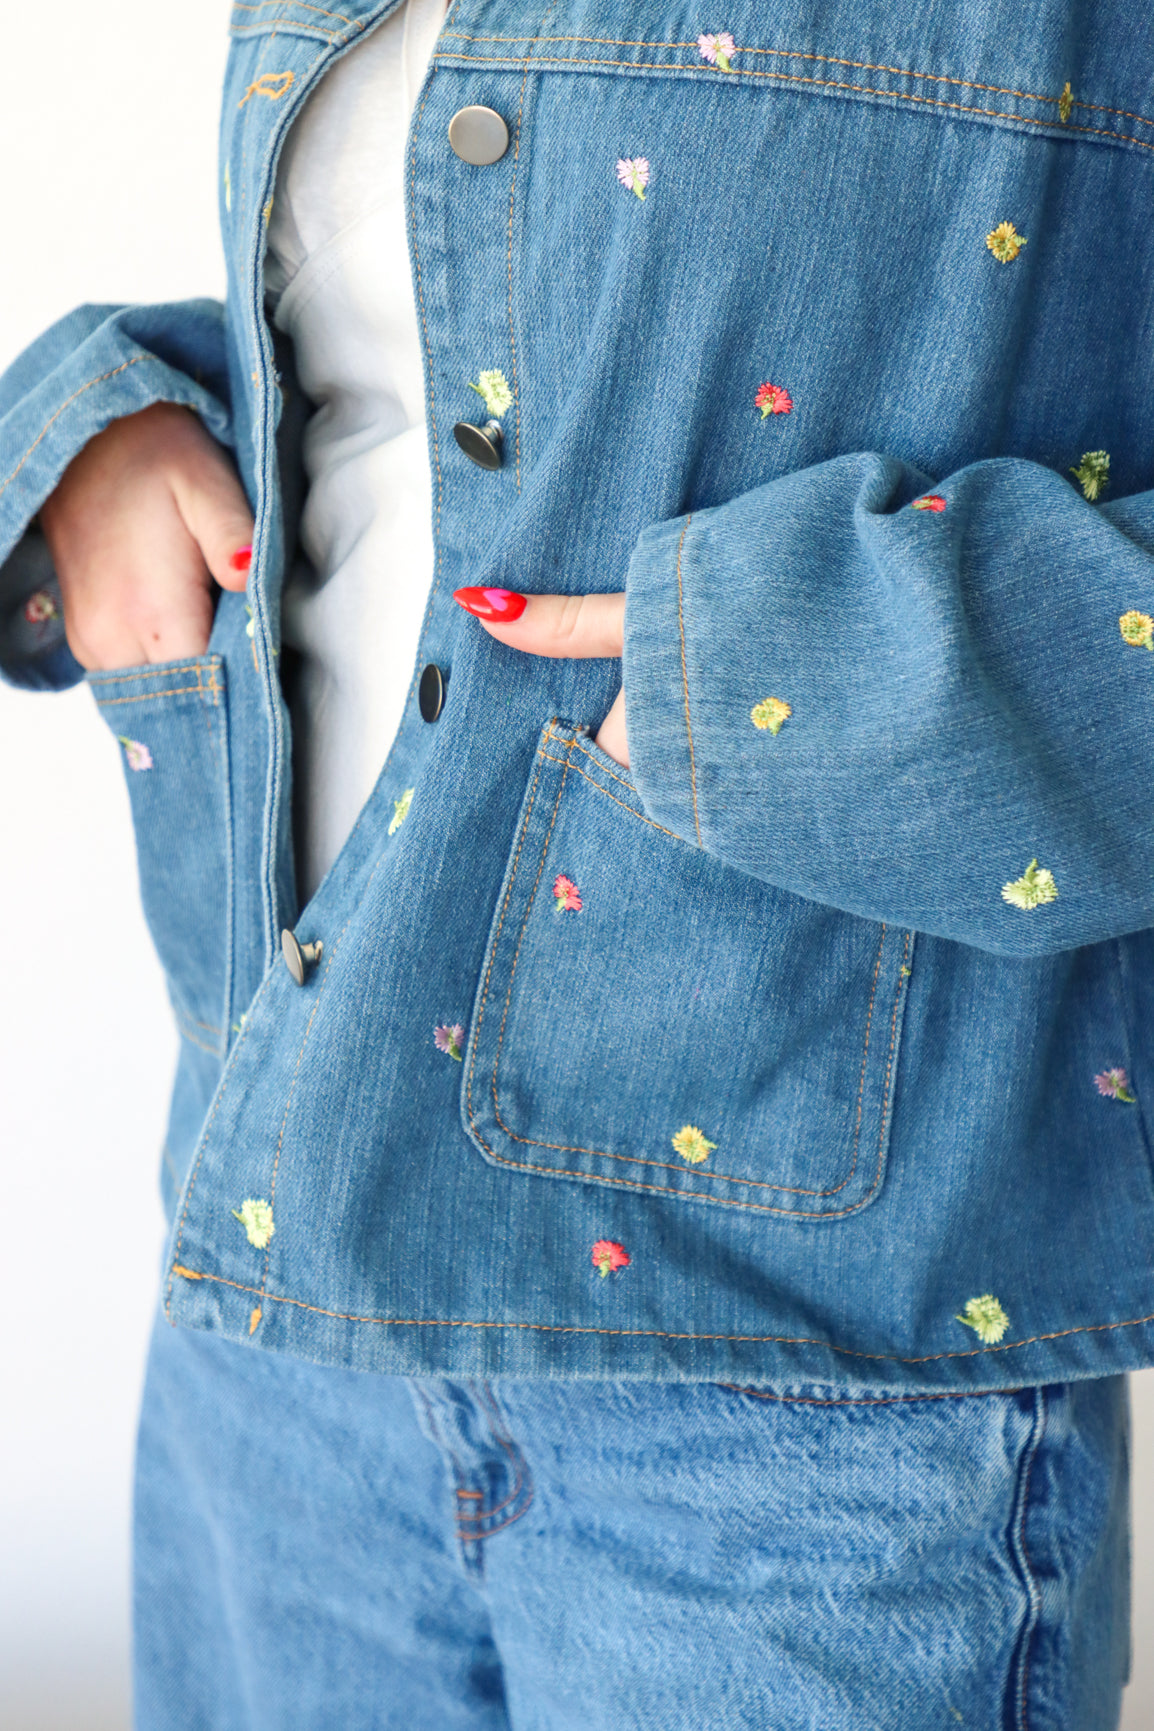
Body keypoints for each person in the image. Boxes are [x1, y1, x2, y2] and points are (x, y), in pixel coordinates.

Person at [2, 0, 1150, 1722]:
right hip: (276, 1281)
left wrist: (786, 674)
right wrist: (87, 431)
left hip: (795, 1407)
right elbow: (426, 370)